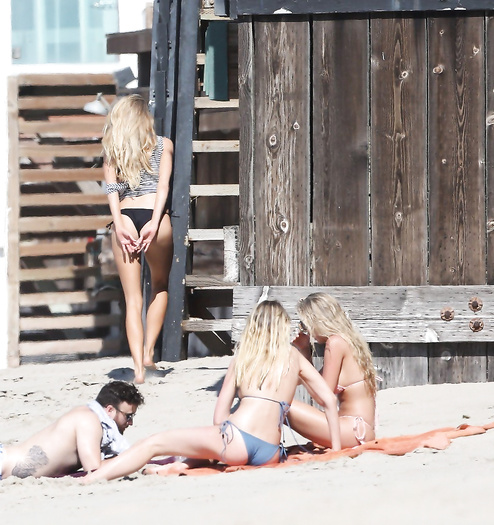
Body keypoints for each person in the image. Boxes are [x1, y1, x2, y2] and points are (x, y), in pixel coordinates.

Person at [82, 300, 341, 483]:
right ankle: (180, 465)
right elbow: (329, 400)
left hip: (238, 441)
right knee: (210, 446)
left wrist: (225, 436)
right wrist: (338, 449)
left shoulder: (243, 358)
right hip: (271, 452)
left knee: (154, 443)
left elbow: (219, 418)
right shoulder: (294, 357)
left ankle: (91, 479)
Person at [103, 94, 174, 383]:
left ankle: (138, 370)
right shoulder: (164, 145)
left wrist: (119, 223)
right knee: (159, 284)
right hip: (154, 215)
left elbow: (112, 190)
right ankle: (148, 353)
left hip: (126, 215)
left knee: (133, 298)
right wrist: (155, 223)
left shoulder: (113, 148)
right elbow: (163, 187)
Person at [0, 381, 144, 480]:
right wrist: (135, 456)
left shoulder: (91, 418)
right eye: (128, 416)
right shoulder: (89, 420)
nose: (130, 422)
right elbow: (94, 470)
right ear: (110, 410)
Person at [289, 292, 378, 448]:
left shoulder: (335, 343)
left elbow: (322, 396)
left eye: (305, 324)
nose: (307, 331)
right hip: (356, 429)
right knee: (277, 403)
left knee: (279, 404)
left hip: (353, 430)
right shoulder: (347, 340)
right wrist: (304, 349)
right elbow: (309, 380)